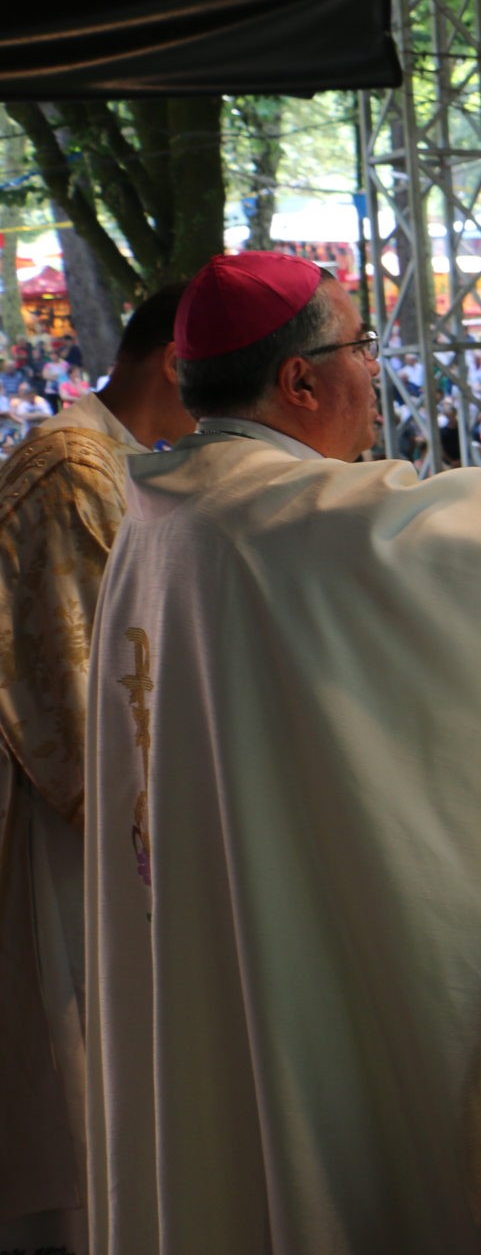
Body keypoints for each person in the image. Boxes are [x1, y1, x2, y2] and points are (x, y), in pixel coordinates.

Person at [84, 254, 481, 1252]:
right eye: (360, 345)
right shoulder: (290, 515)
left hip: (213, 911)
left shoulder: (165, 509)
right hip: (305, 946)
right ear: (299, 382)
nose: (375, 370)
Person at [0, 284, 191, 1250]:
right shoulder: (76, 469)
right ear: (174, 360)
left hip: (108, 823)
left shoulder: (113, 458)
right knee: (85, 1105)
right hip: (75, 835)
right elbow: (86, 712)